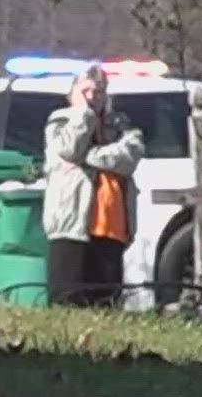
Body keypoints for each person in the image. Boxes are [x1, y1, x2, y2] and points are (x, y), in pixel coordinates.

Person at [42, 63, 145, 307]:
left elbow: (131, 154)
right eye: (86, 90)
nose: (92, 97)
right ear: (72, 93)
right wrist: (83, 114)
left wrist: (89, 157)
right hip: (72, 223)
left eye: (99, 91)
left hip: (112, 225)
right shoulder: (59, 121)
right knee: (67, 301)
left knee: (106, 302)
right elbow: (69, 148)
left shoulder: (120, 124)